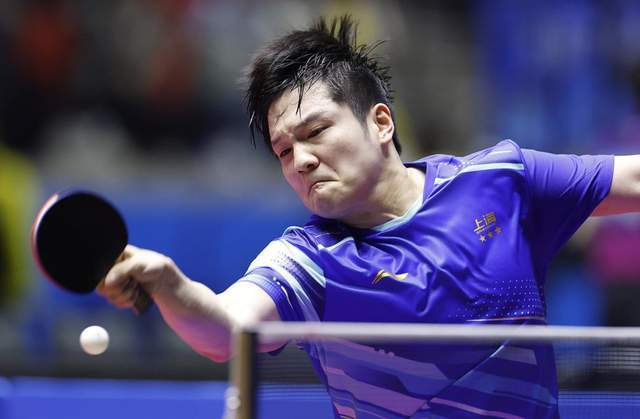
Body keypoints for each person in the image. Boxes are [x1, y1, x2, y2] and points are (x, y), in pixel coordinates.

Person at [97, 16, 640, 418]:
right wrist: (171, 284)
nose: (301, 160)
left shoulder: (499, 180)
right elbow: (226, 329)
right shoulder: (310, 259)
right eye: (284, 151)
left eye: (315, 132)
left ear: (381, 122)